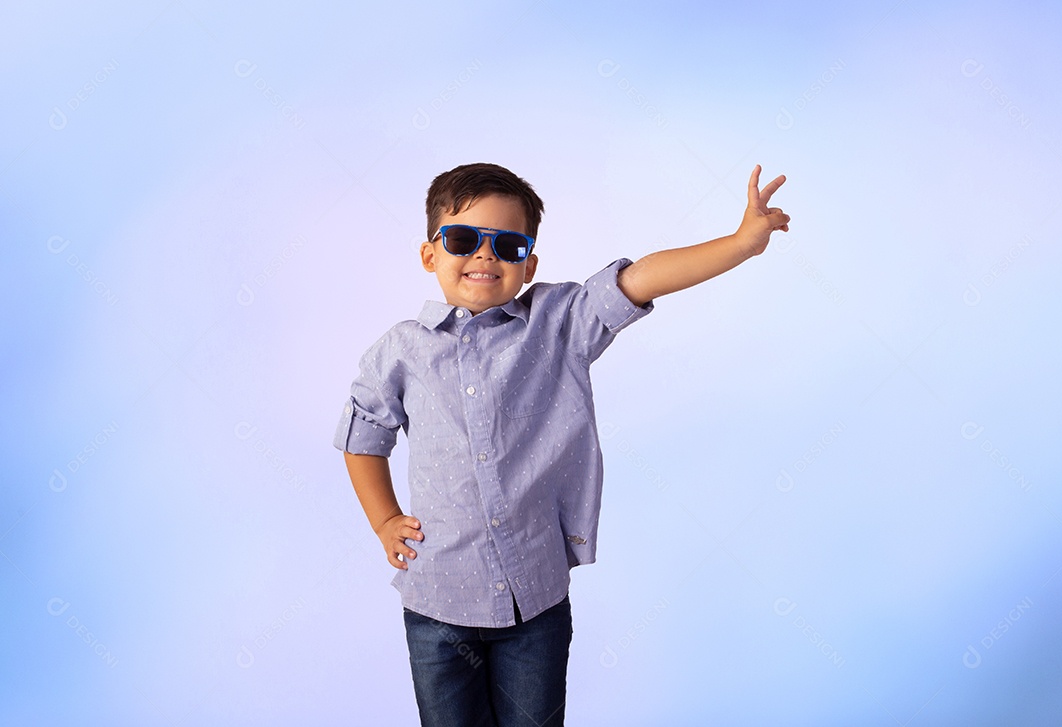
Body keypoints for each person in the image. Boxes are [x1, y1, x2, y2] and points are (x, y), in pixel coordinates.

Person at [333, 161, 789, 726]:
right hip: (438, 603)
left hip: (536, 599)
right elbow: (363, 436)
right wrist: (384, 521)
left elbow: (640, 278)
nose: (483, 255)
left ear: (529, 264)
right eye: (462, 239)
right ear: (431, 254)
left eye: (506, 244)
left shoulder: (558, 322)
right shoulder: (400, 350)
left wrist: (742, 242)